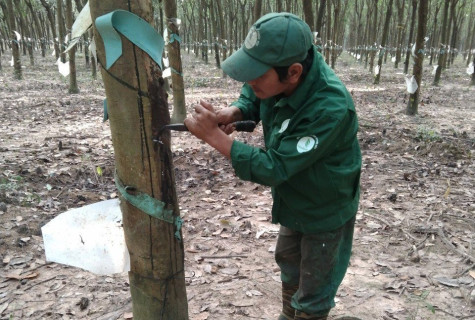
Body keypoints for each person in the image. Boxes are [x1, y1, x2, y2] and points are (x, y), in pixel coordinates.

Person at [184, 12, 361, 320]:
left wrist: (215, 138)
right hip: (294, 199)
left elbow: (274, 167)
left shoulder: (329, 106)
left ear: (292, 72)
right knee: (289, 263)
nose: (248, 81)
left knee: (315, 285)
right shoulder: (280, 77)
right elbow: (254, 94)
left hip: (324, 209)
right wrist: (235, 112)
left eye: (257, 74)